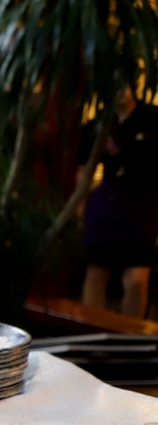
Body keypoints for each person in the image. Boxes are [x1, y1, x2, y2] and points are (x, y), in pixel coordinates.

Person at [82, 88, 158, 320]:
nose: (120, 91)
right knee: (96, 271)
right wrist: (80, 207)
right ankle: (88, 335)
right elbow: (84, 168)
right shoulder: (100, 123)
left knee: (136, 278)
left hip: (143, 202)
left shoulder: (152, 118)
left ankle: (129, 340)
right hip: (106, 202)